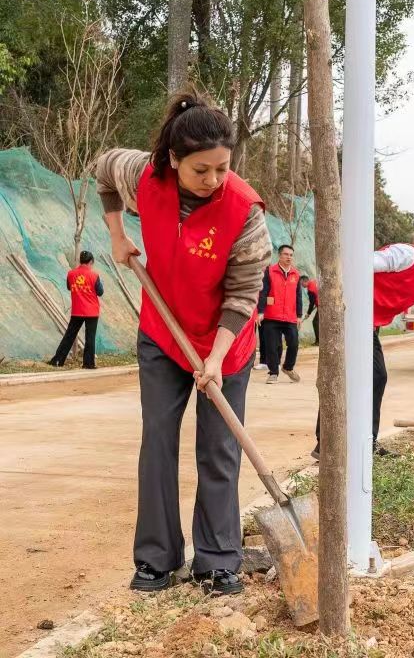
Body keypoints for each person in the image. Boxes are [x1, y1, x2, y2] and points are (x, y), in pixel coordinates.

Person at [95, 87, 271, 595]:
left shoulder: (244, 211)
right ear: (173, 160)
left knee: (219, 448)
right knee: (157, 441)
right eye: (201, 170)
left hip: (225, 344)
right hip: (163, 332)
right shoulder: (145, 177)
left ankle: (217, 559)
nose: (214, 180)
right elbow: (103, 168)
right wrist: (116, 233)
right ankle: (156, 558)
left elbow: (243, 294)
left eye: (223, 168)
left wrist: (215, 358)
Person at [312, 239, 414, 460]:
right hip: (347, 316)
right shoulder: (407, 256)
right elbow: (360, 264)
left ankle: (343, 443)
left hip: (366, 324)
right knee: (372, 376)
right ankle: (337, 444)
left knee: (364, 378)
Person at [48, 250, 104, 369]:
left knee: (69, 336)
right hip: (91, 311)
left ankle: (57, 360)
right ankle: (88, 364)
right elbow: (100, 292)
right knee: (90, 338)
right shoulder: (94, 275)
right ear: (91, 261)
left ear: (80, 261)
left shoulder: (71, 274)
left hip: (77, 310)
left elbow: (69, 287)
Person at [258, 245, 303, 384]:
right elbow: (263, 292)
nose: (289, 257)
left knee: (294, 344)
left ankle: (288, 368)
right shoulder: (270, 271)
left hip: (290, 316)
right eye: (286, 254)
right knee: (272, 346)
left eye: (291, 255)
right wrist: (260, 311)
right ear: (279, 255)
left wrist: (299, 315)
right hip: (272, 316)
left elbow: (298, 296)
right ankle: (273, 373)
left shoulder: (296, 274)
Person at [300, 275, 320, 345]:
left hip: (322, 306)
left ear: (305, 281)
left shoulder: (310, 289)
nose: (302, 286)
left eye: (301, 283)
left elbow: (312, 303)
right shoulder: (314, 282)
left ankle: (318, 341)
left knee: (315, 322)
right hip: (322, 304)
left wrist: (308, 313)